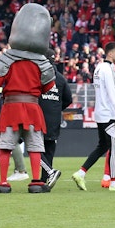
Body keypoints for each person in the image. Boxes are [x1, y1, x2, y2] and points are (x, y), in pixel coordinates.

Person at [0, 3, 57, 193]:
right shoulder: (42, 62)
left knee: (6, 145)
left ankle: (3, 182)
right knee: (35, 146)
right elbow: (49, 87)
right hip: (32, 108)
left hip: (11, 108)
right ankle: (36, 181)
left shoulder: (7, 58)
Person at [72, 41, 115, 191]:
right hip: (108, 114)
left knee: (103, 146)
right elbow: (112, 95)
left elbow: (107, 89)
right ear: (110, 53)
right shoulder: (108, 69)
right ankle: (114, 182)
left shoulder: (100, 67)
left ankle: (81, 173)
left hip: (100, 112)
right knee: (114, 148)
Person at [37, 52, 72, 191]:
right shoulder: (61, 79)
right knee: (49, 150)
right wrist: (57, 108)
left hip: (38, 117)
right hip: (54, 119)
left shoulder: (37, 76)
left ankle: (49, 173)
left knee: (35, 148)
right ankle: (45, 180)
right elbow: (68, 99)